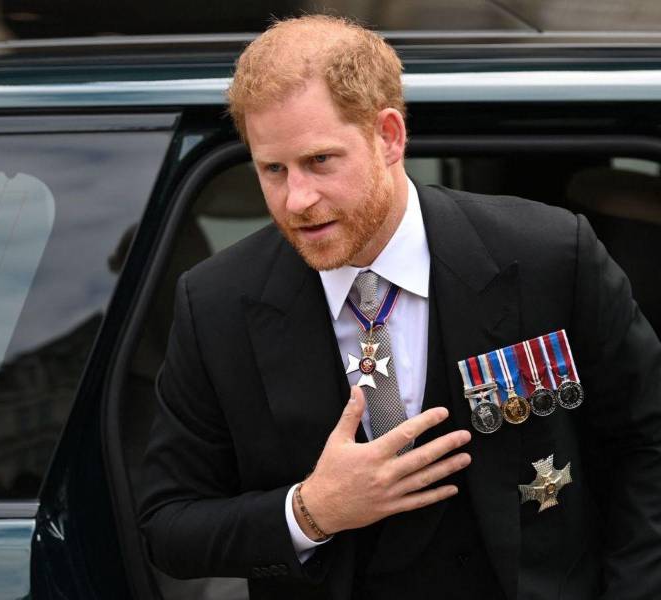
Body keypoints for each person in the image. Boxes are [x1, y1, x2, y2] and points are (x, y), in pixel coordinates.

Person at [139, 14, 661, 600]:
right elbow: (168, 525)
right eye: (273, 170)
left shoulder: (548, 254)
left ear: (388, 136)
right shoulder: (216, 303)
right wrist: (311, 511)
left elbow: (647, 442)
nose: (297, 199)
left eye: (319, 161)